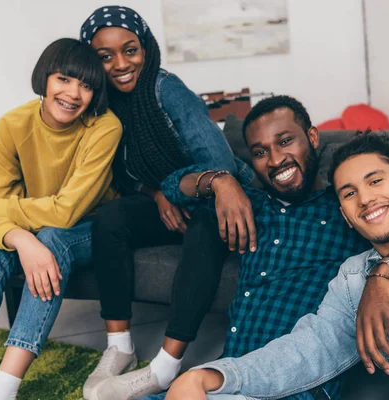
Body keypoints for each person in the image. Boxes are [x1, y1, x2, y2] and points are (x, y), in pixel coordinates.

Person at [91, 95, 389, 400]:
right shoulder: (252, 206)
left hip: (299, 384)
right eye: (261, 152)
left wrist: (386, 272)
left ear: (312, 138)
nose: (276, 158)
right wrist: (222, 183)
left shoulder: (347, 208)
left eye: (286, 142)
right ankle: (166, 370)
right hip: (231, 374)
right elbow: (172, 185)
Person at [164, 132, 389, 400]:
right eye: (350, 193)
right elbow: (307, 352)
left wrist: (387, 273)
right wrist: (213, 375)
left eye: (375, 181)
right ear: (345, 216)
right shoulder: (353, 280)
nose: (366, 198)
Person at [79, 6, 256, 399]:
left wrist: (174, 192)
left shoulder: (165, 90)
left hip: (215, 197)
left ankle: (166, 366)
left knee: (204, 226)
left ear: (147, 48)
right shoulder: (103, 105)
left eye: (130, 50)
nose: (121, 64)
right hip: (171, 200)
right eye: (105, 56)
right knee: (111, 218)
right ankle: (119, 346)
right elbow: (124, 178)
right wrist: (157, 194)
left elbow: (220, 167)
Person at [0, 38, 122, 400]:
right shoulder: (12, 124)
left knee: (52, 237)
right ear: (45, 78)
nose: (73, 93)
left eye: (86, 85)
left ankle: (3, 388)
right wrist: (20, 238)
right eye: (64, 79)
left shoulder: (104, 127)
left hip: (93, 227)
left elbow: (66, 211)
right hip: (36, 226)